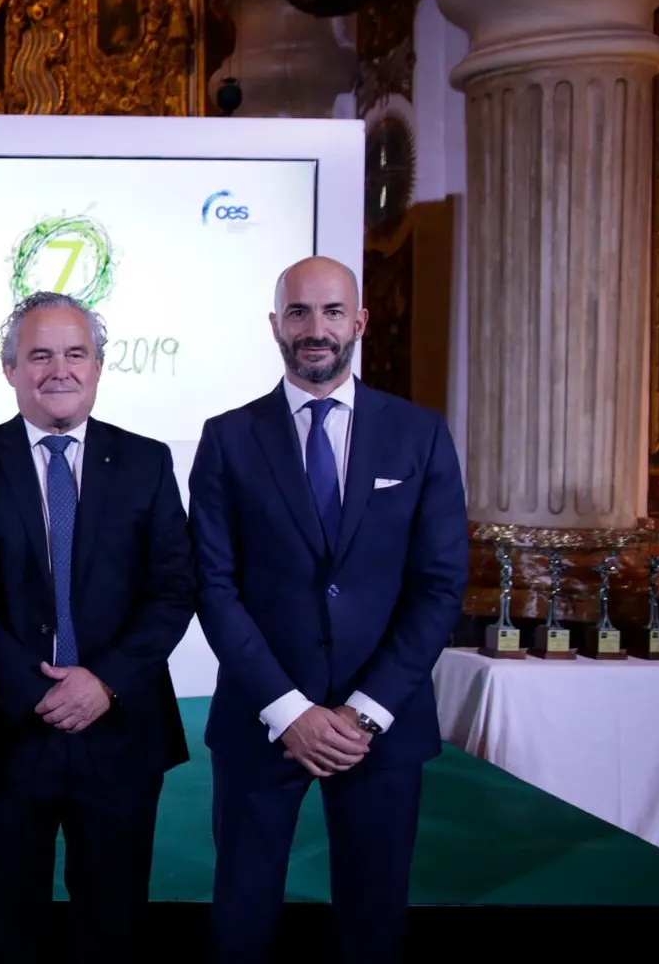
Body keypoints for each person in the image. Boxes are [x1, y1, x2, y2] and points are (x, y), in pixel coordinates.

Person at [189, 256, 467, 963]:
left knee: (373, 926)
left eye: (333, 311)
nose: (317, 329)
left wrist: (363, 710)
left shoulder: (420, 434)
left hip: (382, 727)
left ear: (360, 321)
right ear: (276, 325)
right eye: (300, 312)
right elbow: (214, 587)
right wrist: (291, 710)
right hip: (263, 723)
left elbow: (438, 585)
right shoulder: (227, 438)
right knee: (240, 925)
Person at [0, 291, 196, 962]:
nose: (59, 369)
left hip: (120, 734)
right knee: (5, 932)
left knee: (111, 931)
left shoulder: (147, 461)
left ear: (99, 364)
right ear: (9, 369)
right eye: (39, 354)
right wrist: (32, 686)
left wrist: (104, 680)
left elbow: (174, 588)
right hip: (5, 733)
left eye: (75, 352)